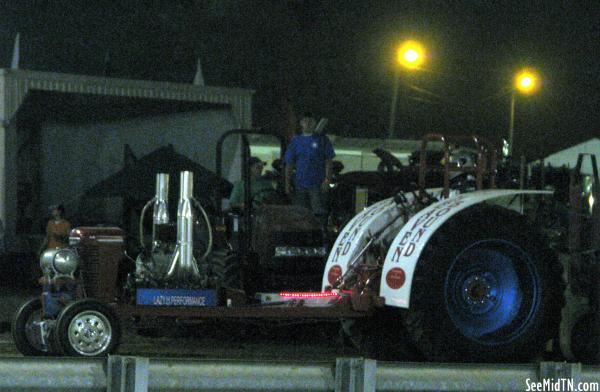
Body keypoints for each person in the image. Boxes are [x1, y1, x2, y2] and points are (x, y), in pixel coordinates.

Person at [284, 113, 335, 227]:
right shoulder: (296, 141)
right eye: (305, 121)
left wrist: (327, 180)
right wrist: (287, 184)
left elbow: (328, 161)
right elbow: (289, 164)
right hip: (299, 185)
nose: (308, 123)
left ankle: (320, 237)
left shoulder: (322, 140)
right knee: (300, 213)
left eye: (311, 121)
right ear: (301, 123)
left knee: (319, 213)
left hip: (318, 185)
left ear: (315, 123)